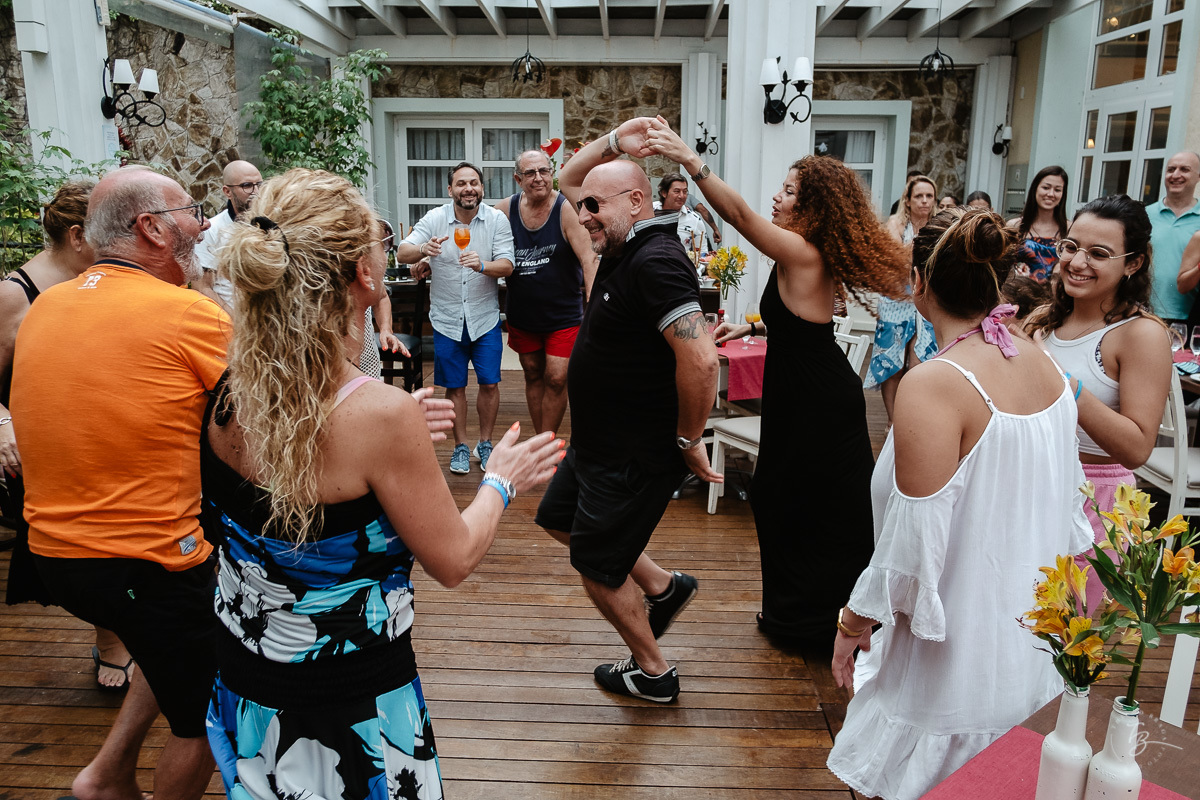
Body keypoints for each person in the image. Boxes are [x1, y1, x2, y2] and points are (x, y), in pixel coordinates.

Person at [201, 168, 562, 799]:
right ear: (364, 276)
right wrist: (500, 481)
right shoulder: (378, 418)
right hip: (348, 705)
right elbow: (453, 558)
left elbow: (284, 495)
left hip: (249, 683)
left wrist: (386, 442)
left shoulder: (229, 391)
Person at [827, 208, 1093, 800]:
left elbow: (913, 544)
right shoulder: (1043, 361)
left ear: (918, 282)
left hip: (955, 665)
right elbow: (1068, 513)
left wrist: (853, 620)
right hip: (1032, 645)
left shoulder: (935, 384)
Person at [646, 118, 909, 642]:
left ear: (812, 207)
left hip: (817, 401)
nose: (776, 197)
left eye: (788, 191)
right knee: (787, 501)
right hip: (802, 393)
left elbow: (739, 215)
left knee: (812, 507)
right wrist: (753, 324)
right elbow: (802, 317)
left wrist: (692, 163)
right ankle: (801, 615)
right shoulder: (806, 249)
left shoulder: (804, 249)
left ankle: (821, 623)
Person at [12, 166, 225, 800]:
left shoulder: (47, 304)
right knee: (210, 715)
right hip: (146, 563)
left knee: (167, 652)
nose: (205, 222)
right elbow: (271, 425)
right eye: (192, 210)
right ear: (153, 229)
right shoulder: (190, 315)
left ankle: (105, 775)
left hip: (51, 557)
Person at [538, 118, 721, 703]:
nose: (583, 212)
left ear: (636, 202)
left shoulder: (658, 260)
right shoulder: (622, 241)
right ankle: (664, 589)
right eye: (583, 205)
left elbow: (701, 360)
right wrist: (618, 140)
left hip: (633, 453)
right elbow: (568, 177)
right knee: (558, 519)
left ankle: (654, 671)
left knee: (595, 565)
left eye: (595, 205)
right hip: (596, 446)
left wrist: (690, 439)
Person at [0, 180, 135, 692]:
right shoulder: (15, 294)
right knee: (88, 551)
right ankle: (110, 642)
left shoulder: (104, 281)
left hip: (108, 433)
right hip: (45, 446)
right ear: (78, 236)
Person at [1029, 194, 1171, 611]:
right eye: (1071, 247)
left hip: (1096, 505)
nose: (1076, 262)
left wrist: (1066, 386)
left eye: (1098, 253)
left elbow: (1137, 447)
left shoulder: (1140, 334)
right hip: (1034, 490)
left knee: (1063, 644)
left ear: (1133, 263)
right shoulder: (1044, 318)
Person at [397, 162, 515, 475]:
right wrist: (424, 248)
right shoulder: (436, 218)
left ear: (482, 188)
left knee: (490, 383)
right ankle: (460, 446)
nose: (468, 189)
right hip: (447, 319)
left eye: (474, 183)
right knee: (455, 387)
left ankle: (486, 443)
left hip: (484, 317)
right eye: (461, 183)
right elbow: (401, 252)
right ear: (450, 190)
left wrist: (483, 265)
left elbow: (508, 265)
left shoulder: (496, 220)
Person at [495, 149, 597, 434]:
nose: (538, 178)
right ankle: (540, 440)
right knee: (532, 373)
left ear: (552, 174)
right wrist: (429, 260)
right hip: (522, 313)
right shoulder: (504, 210)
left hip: (563, 315)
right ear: (518, 179)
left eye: (544, 171)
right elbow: (473, 235)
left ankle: (546, 440)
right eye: (530, 173)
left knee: (556, 377)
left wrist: (593, 305)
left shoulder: (566, 210)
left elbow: (589, 259)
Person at [867, 175, 939, 423]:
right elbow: (894, 263)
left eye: (929, 196)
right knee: (892, 363)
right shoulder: (895, 225)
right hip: (895, 300)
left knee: (921, 360)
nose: (925, 201)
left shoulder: (940, 225)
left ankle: (913, 419)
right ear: (907, 200)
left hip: (927, 301)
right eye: (919, 196)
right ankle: (892, 421)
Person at [193, 159, 262, 313]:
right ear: (227, 191)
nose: (256, 192)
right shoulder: (210, 230)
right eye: (247, 185)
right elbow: (202, 288)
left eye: (260, 184)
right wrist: (235, 323)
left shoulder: (272, 223)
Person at [1146, 152, 1200, 325]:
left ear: (1198, 176)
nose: (1176, 175)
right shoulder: (1144, 215)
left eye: (1184, 169)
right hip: (1143, 311)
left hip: (1189, 316)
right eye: (1171, 169)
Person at [1007, 165, 1068, 283]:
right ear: (1035, 189)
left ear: (1063, 194)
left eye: (1057, 190)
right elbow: (1003, 264)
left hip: (1055, 297)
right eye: (1046, 187)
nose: (1051, 194)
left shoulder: (1069, 228)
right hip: (1018, 295)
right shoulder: (1015, 226)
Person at [653, 172, 715, 252]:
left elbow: (701, 254)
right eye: (677, 191)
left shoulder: (695, 220)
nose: (681, 196)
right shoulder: (649, 211)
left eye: (685, 191)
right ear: (664, 193)